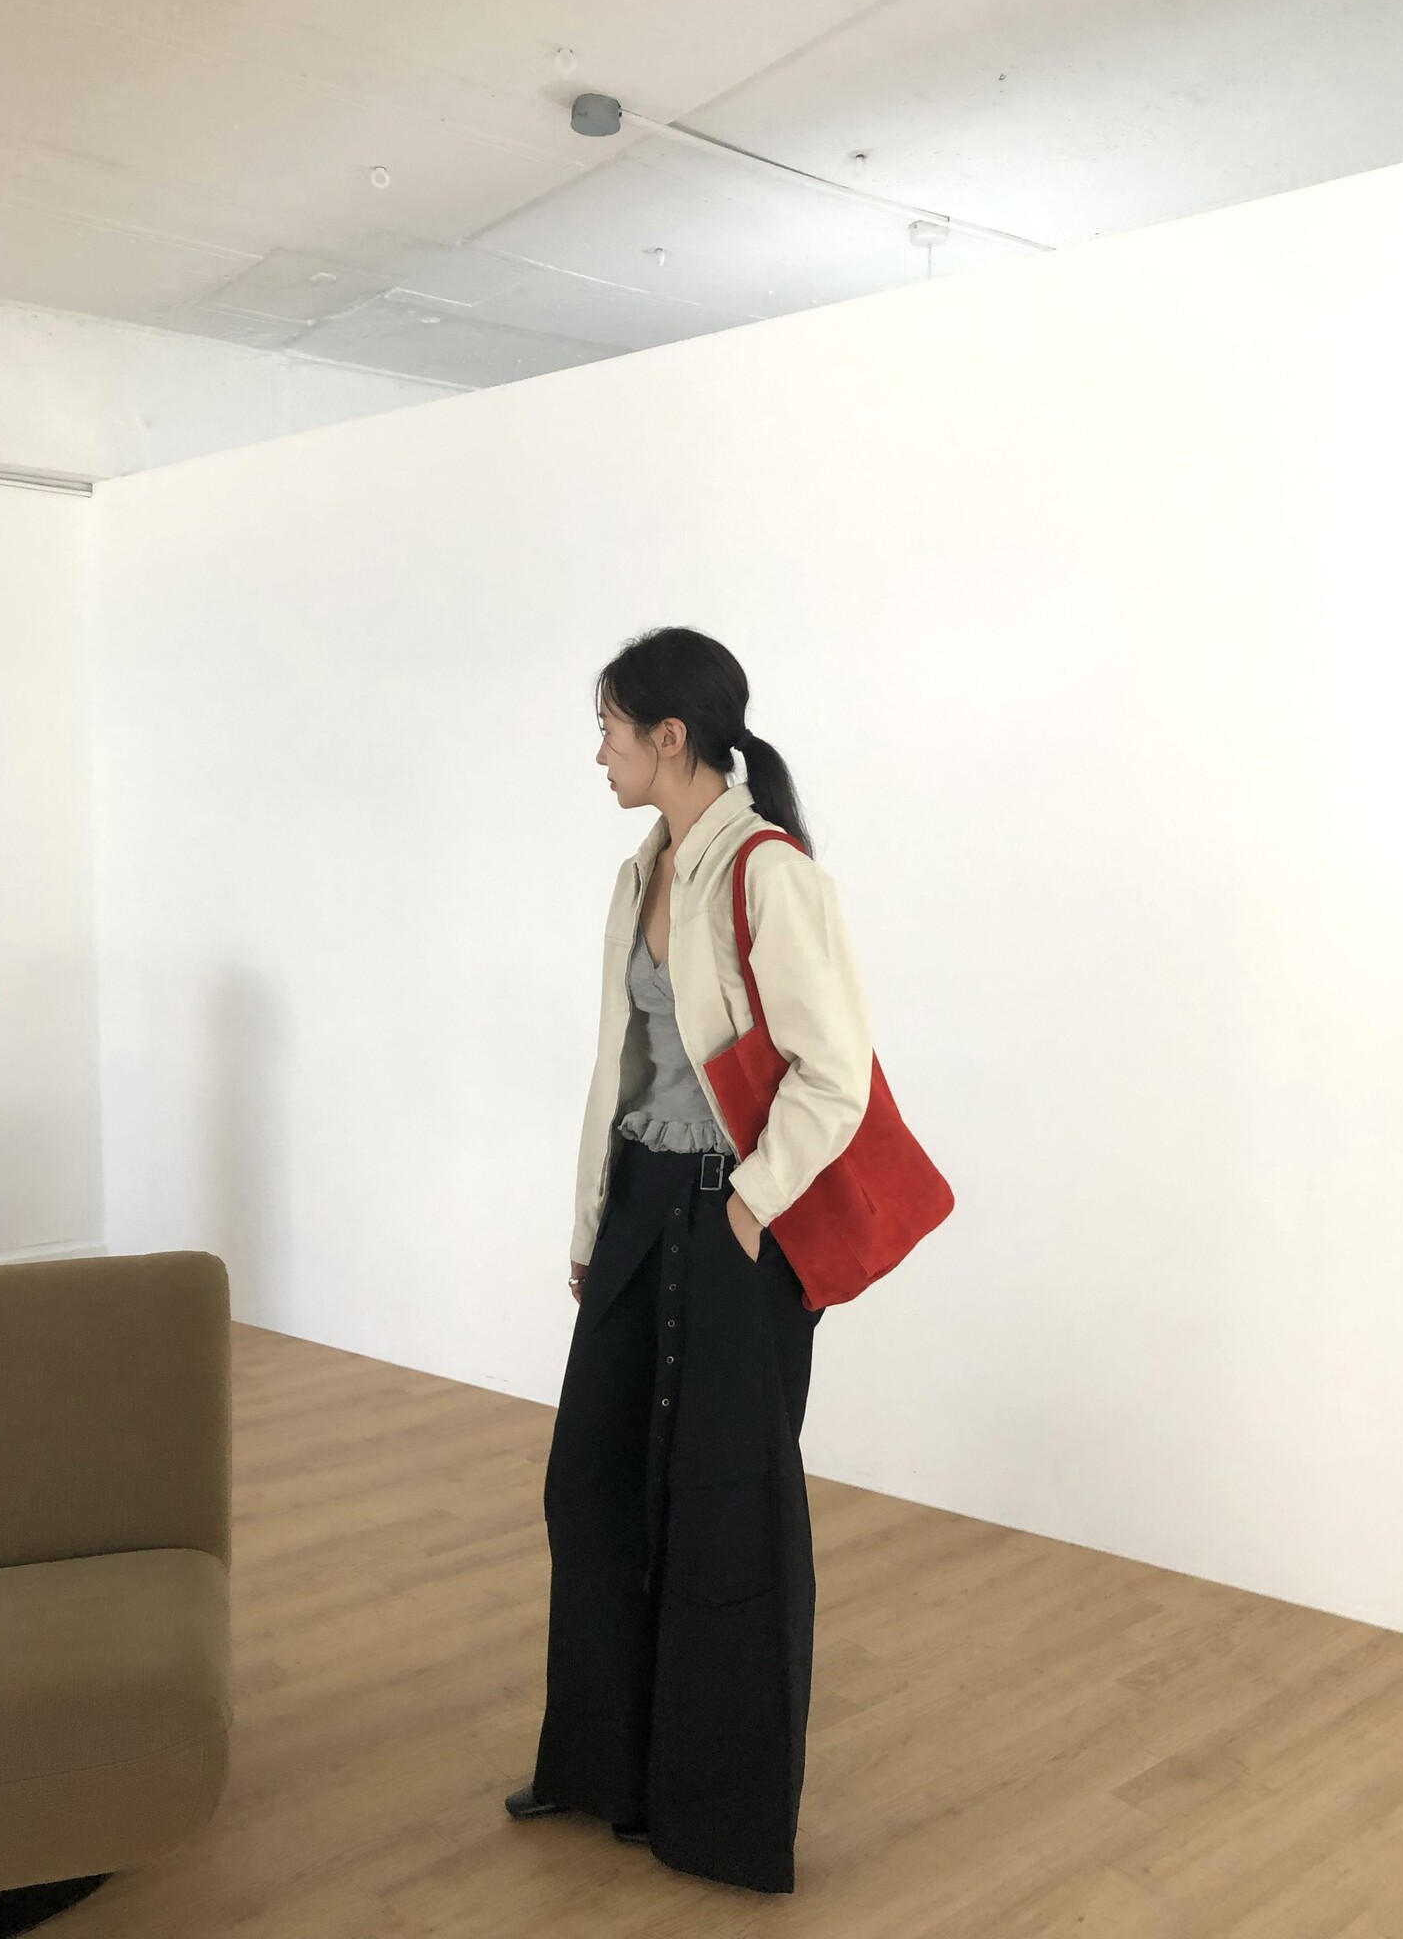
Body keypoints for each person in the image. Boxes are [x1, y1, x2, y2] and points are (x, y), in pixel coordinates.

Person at [503, 626, 875, 1894]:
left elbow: (836, 1074)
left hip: (736, 1214)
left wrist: (752, 1205)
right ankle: (602, 1767)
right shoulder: (640, 868)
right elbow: (622, 1067)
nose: (598, 752)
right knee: (592, 1482)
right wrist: (593, 1222)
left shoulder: (769, 872)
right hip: (643, 1200)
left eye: (610, 728)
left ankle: (716, 1815)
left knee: (727, 1507)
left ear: (671, 737)